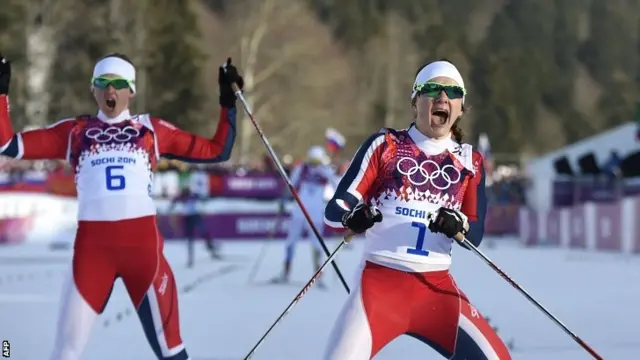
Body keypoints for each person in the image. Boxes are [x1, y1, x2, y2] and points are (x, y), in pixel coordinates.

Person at [0, 53, 243, 360]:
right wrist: (1, 93)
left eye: (118, 84)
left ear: (132, 90)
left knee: (172, 352)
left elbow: (217, 150)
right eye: (102, 83)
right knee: (65, 353)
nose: (110, 91)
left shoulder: (151, 129)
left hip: (143, 255)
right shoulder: (74, 131)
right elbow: (7, 145)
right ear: (93, 89)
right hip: (93, 255)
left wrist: (227, 99)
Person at [323, 60, 511, 359]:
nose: (442, 98)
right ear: (415, 101)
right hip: (379, 287)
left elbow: (474, 235)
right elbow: (335, 208)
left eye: (452, 91)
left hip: (437, 292)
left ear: (461, 107)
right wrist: (353, 216)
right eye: (432, 89)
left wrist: (458, 223)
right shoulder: (385, 146)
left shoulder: (469, 162)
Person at [271, 145, 335, 287]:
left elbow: (336, 184)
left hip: (316, 213)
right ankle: (285, 272)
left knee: (317, 244)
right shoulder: (302, 169)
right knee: (290, 241)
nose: (314, 163)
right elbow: (291, 184)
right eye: (313, 160)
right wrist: (284, 199)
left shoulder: (325, 170)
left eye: (317, 160)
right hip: (299, 211)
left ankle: (318, 276)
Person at [169, 185, 219, 268]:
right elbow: (174, 202)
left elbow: (203, 198)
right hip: (189, 217)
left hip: (194, 216)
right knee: (190, 238)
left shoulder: (191, 195)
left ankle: (211, 250)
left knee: (203, 232)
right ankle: (191, 259)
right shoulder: (182, 197)